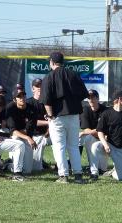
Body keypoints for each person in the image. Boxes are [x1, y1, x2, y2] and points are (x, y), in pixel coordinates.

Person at [39, 52, 88, 184]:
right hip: (74, 116)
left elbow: (46, 101)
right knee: (73, 146)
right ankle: (78, 175)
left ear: (52, 62)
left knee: (59, 146)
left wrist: (50, 116)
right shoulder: (73, 74)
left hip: (57, 117)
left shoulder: (49, 77)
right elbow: (84, 94)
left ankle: (63, 176)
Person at [89, 90, 122, 181]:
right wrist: (105, 144)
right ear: (120, 99)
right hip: (110, 145)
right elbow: (100, 131)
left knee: (121, 178)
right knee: (95, 146)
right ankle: (94, 173)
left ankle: (113, 172)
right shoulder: (107, 113)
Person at [6, 88, 38, 174]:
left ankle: (10, 164)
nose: (22, 98)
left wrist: (26, 135)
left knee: (27, 171)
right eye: (19, 96)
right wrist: (27, 136)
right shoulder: (10, 108)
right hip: (16, 137)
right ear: (14, 99)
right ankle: (8, 164)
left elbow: (30, 128)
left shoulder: (31, 109)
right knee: (16, 138)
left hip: (27, 135)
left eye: (23, 95)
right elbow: (13, 131)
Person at [79, 89, 108, 173]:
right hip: (94, 136)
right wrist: (91, 132)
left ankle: (101, 168)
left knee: (103, 169)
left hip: (106, 139)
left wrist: (85, 132)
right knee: (87, 138)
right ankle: (91, 167)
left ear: (98, 98)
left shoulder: (105, 110)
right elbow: (86, 129)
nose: (91, 99)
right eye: (89, 97)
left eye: (93, 97)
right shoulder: (85, 110)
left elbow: (105, 129)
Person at [26, 78, 52, 171]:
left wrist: (49, 129)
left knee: (62, 139)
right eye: (37, 86)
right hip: (35, 136)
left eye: (41, 86)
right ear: (33, 89)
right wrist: (48, 122)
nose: (39, 88)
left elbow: (53, 119)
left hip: (49, 134)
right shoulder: (29, 103)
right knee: (36, 168)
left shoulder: (48, 102)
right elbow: (31, 122)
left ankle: (63, 165)